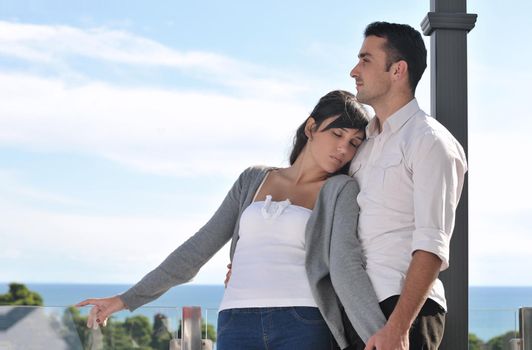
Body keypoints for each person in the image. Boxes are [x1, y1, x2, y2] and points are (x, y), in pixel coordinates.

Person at [76, 90, 387, 350]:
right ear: (311, 128)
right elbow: (198, 248)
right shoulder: (252, 179)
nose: (343, 149)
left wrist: (381, 336)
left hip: (303, 320)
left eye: (354, 143)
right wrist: (125, 300)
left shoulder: (339, 190)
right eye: (337, 134)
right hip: (236, 320)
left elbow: (347, 266)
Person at [348, 22, 468, 350]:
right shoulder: (363, 145)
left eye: (365, 60)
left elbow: (432, 243)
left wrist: (399, 327)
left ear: (398, 70)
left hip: (401, 313)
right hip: (356, 309)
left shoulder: (430, 142)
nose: (353, 70)